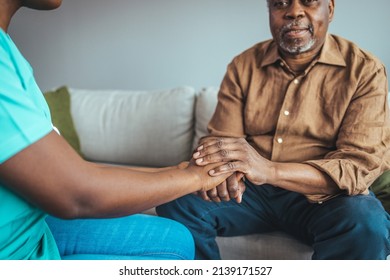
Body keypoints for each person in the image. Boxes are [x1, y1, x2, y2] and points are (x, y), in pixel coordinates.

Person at [156, 0, 390, 260]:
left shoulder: (365, 70)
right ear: (270, 12)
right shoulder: (243, 65)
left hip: (326, 196)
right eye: (280, 4)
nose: (293, 11)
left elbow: (357, 167)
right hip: (251, 192)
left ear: (331, 9)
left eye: (309, 2)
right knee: (177, 200)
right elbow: (223, 141)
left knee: (366, 222)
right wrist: (224, 172)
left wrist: (268, 170)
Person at [0, 0, 233, 260]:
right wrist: (196, 177)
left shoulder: (7, 49)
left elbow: (71, 170)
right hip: (14, 252)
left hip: (31, 228)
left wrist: (180, 171)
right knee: (169, 257)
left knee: (177, 238)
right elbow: (76, 194)